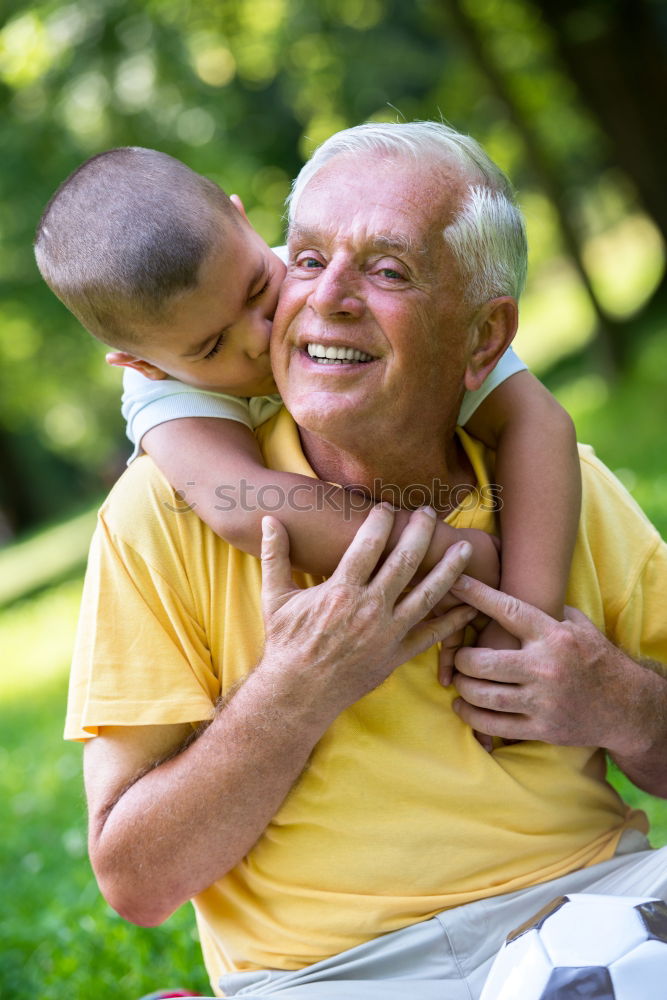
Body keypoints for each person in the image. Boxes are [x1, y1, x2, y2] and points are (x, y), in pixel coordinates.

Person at [62, 122, 666, 999]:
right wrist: (292, 693)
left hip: (594, 909)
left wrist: (621, 703)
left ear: (483, 338)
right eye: (305, 260)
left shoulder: (554, 485)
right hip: (335, 975)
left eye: (388, 270)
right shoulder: (164, 509)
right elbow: (134, 881)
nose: (320, 301)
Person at [34, 145, 581, 685]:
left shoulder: (327, 275)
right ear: (142, 363)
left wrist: (523, 620)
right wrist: (462, 558)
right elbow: (245, 503)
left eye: (258, 289)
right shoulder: (161, 394)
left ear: (242, 220)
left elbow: (538, 421)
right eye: (211, 347)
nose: (259, 334)